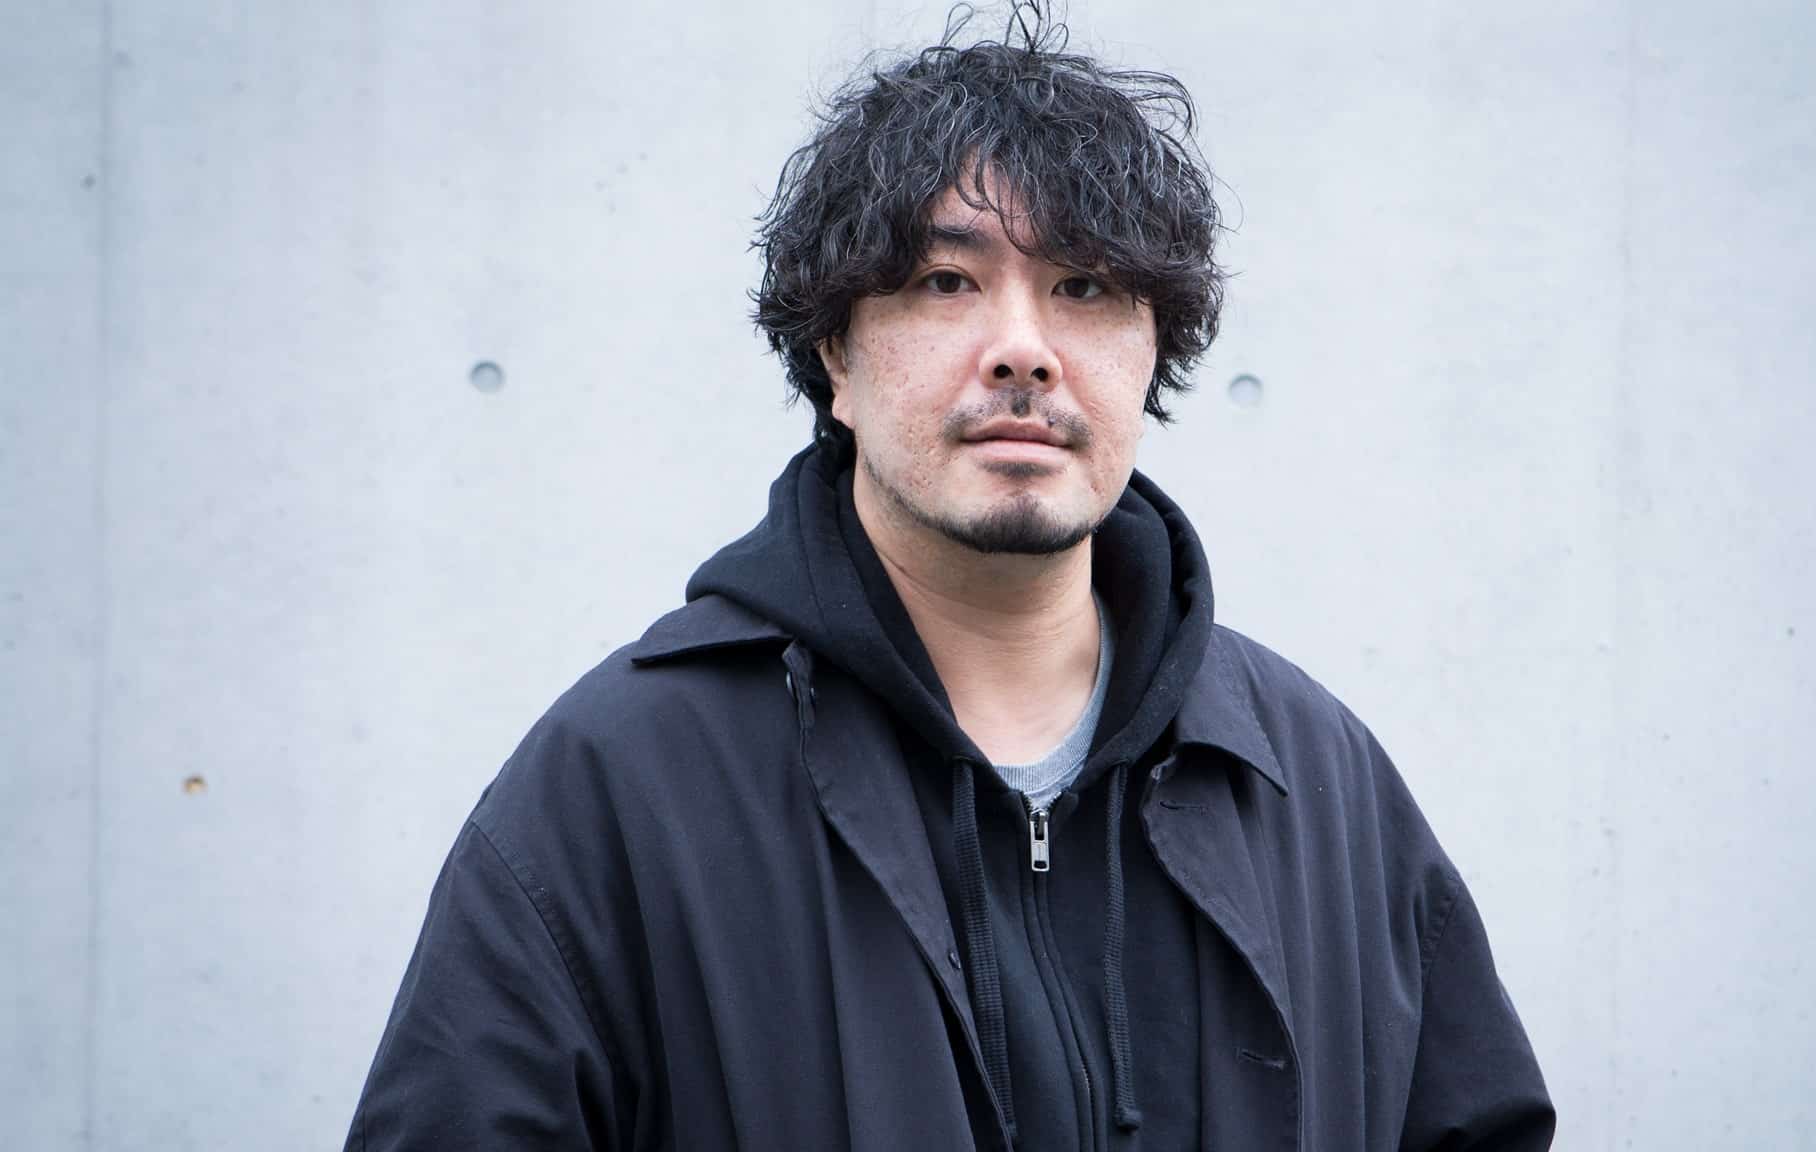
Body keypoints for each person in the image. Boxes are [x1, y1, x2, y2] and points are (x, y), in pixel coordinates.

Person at [346, 7, 1554, 1150]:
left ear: (1151, 352)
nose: (1023, 347)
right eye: (946, 281)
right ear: (835, 356)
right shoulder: (622, 784)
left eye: (1084, 287)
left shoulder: (1314, 784)